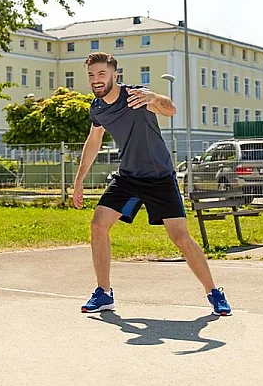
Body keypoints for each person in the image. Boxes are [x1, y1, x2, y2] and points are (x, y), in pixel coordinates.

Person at [71, 52, 232, 317]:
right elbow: (93, 141)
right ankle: (104, 293)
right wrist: (79, 181)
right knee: (98, 224)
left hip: (159, 176)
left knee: (180, 237)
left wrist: (153, 98)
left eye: (101, 74)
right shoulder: (97, 108)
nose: (96, 80)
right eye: (91, 75)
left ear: (114, 75)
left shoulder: (136, 95)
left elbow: (170, 108)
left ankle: (214, 292)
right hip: (128, 176)